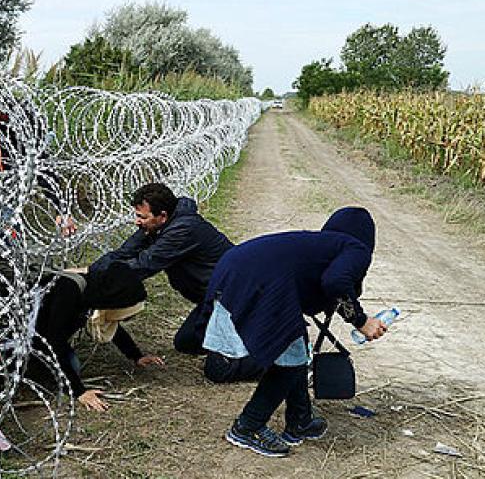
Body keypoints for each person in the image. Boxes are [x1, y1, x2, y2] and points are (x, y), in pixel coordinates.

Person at [204, 207, 387, 457]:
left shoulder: (323, 245)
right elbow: (334, 282)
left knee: (296, 347)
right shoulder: (356, 249)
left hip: (234, 270)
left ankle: (300, 420)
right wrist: (361, 321)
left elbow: (315, 290)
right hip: (256, 282)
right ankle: (248, 427)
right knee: (289, 359)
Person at [90, 183, 237, 354]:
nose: (137, 221)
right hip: (212, 296)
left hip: (230, 295)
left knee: (208, 355)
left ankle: (246, 332)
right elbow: (126, 252)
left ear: (163, 216)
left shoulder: (182, 230)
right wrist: (92, 271)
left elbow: (143, 265)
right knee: (187, 342)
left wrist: (99, 280)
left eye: (143, 217)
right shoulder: (161, 226)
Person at [30, 261, 164, 412]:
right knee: (72, 367)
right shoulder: (70, 290)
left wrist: (136, 356)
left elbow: (111, 325)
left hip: (48, 336)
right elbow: (53, 342)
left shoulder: (96, 292)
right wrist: (79, 391)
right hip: (31, 339)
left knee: (72, 365)